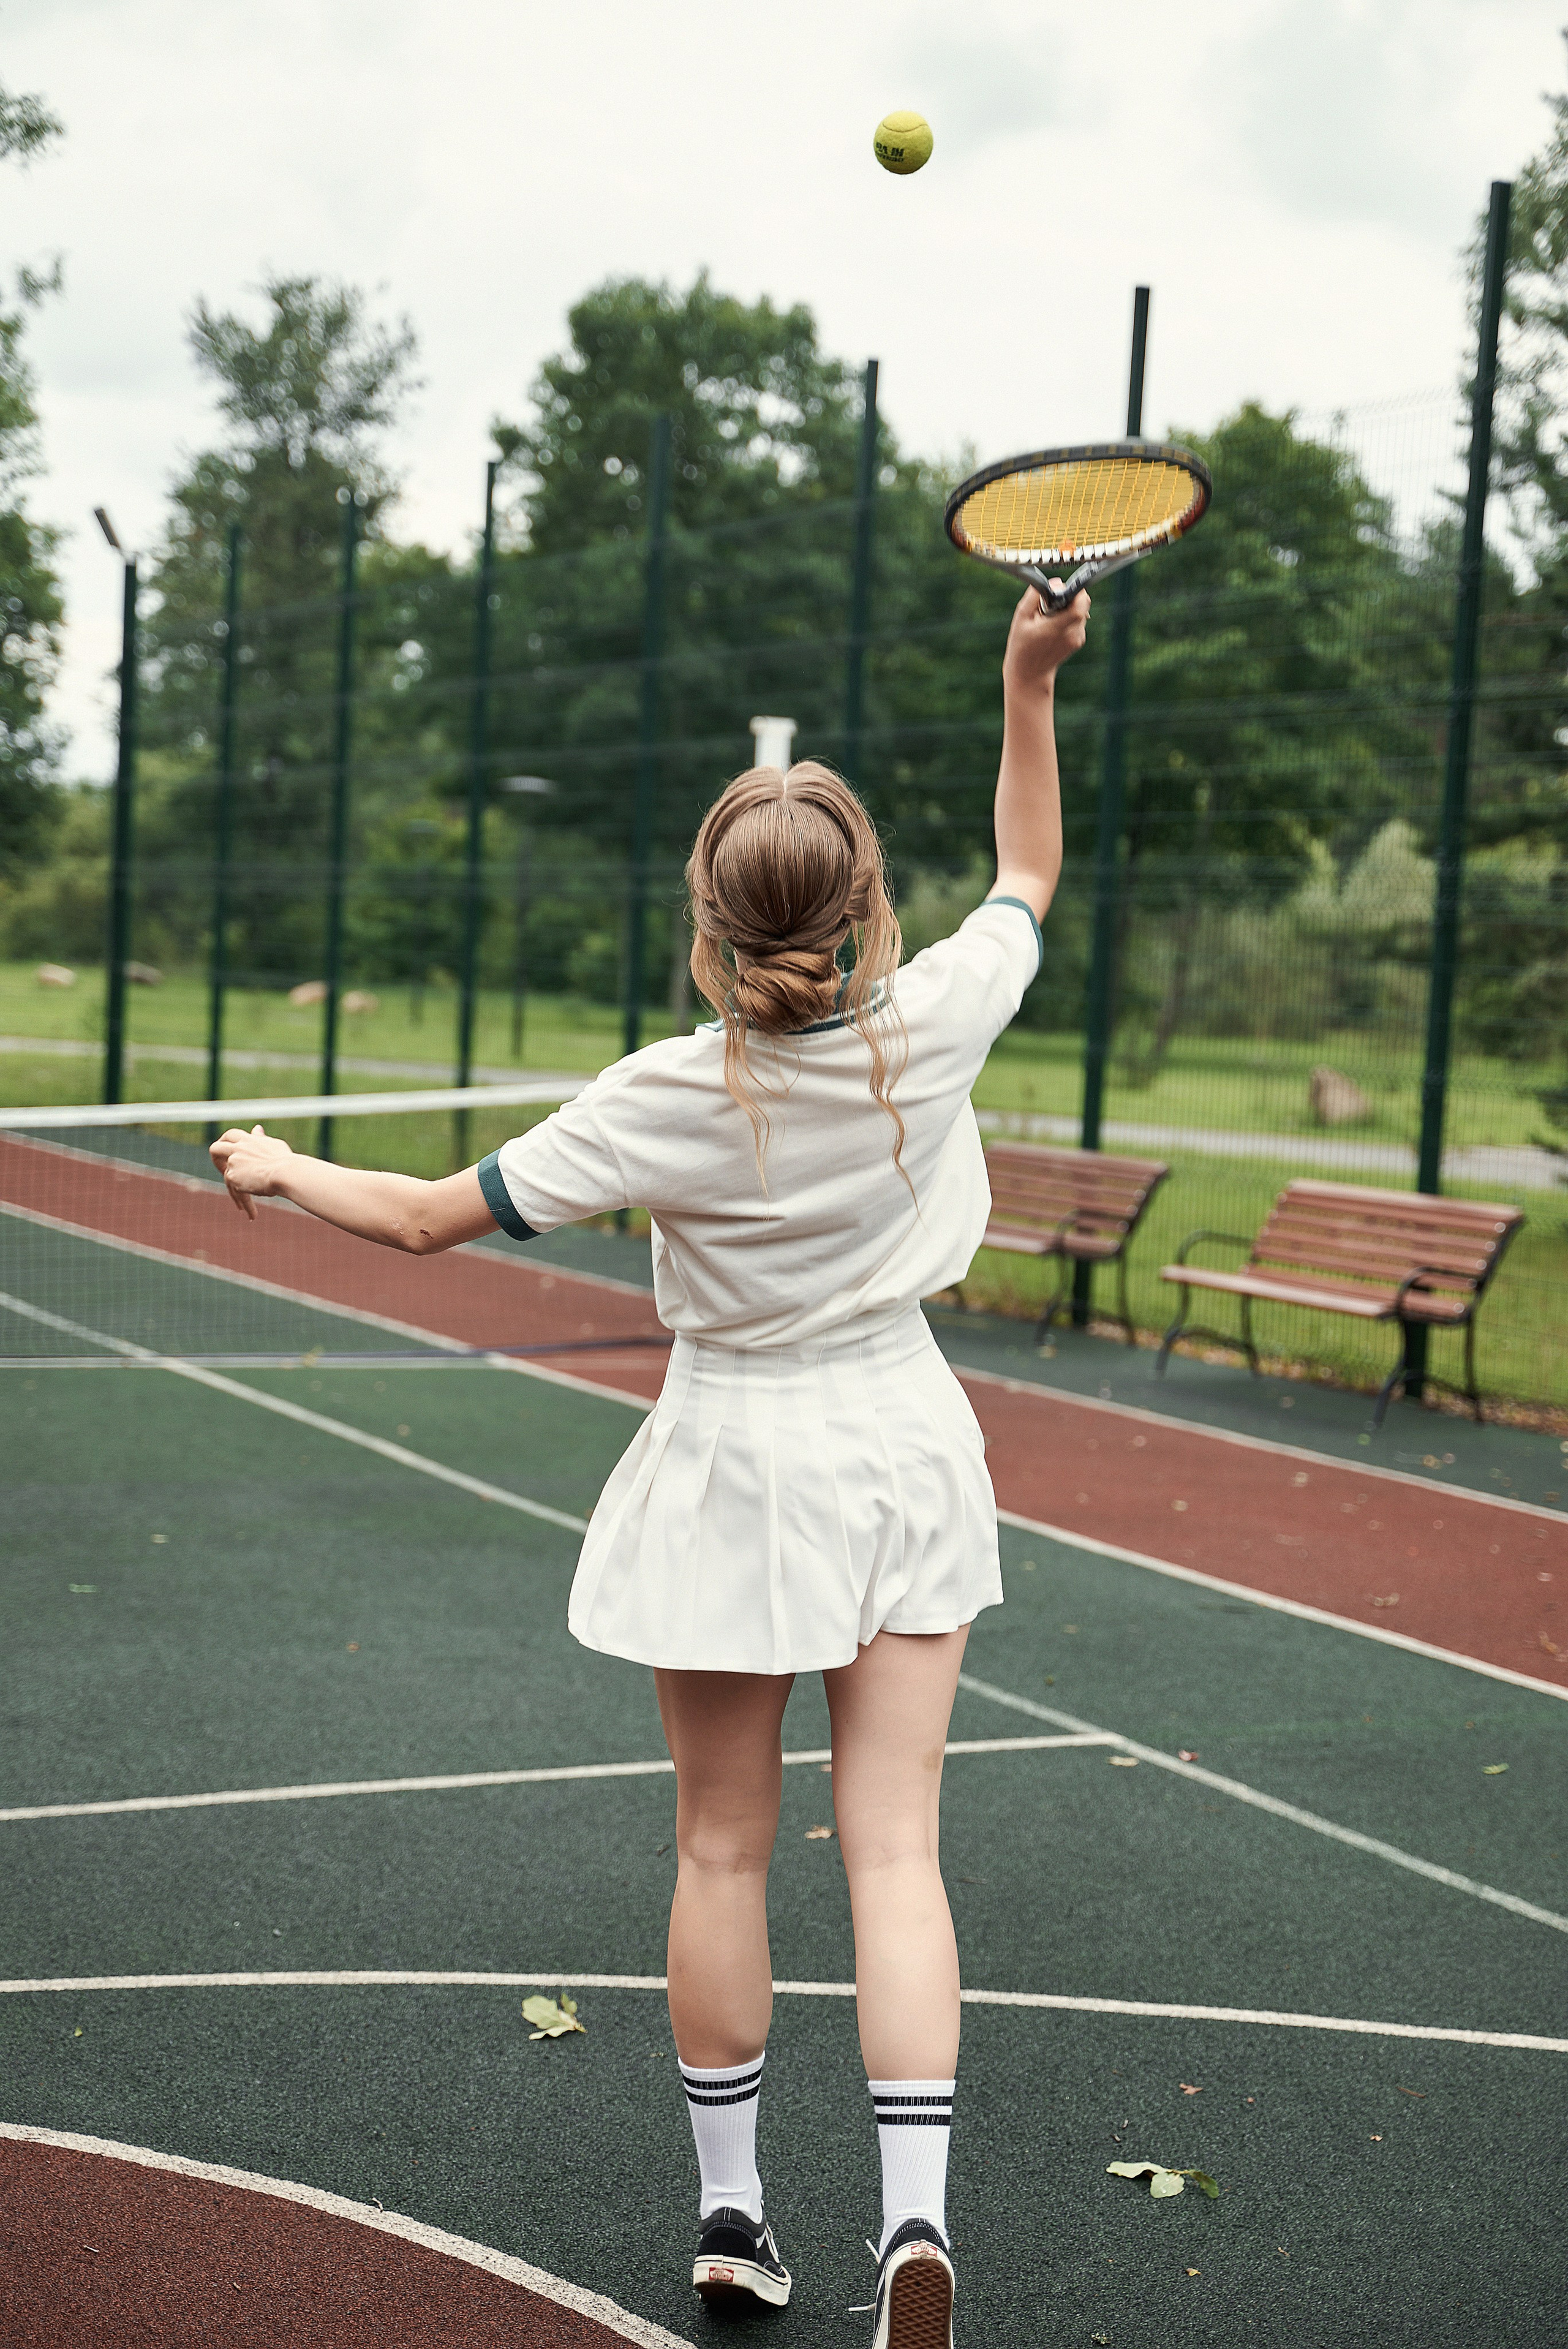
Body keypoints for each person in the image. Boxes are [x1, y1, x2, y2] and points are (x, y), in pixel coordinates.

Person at [211, 581, 1087, 2349]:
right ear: (863, 916)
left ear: (709, 921)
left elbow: (433, 1219)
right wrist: (1025, 677)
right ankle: (913, 2231)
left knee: (721, 1850)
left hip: (738, 1453)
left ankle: (734, 2215)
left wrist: (282, 1161)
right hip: (906, 1438)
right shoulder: (948, 1018)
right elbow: (1030, 868)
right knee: (897, 1855)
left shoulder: (667, 1093)